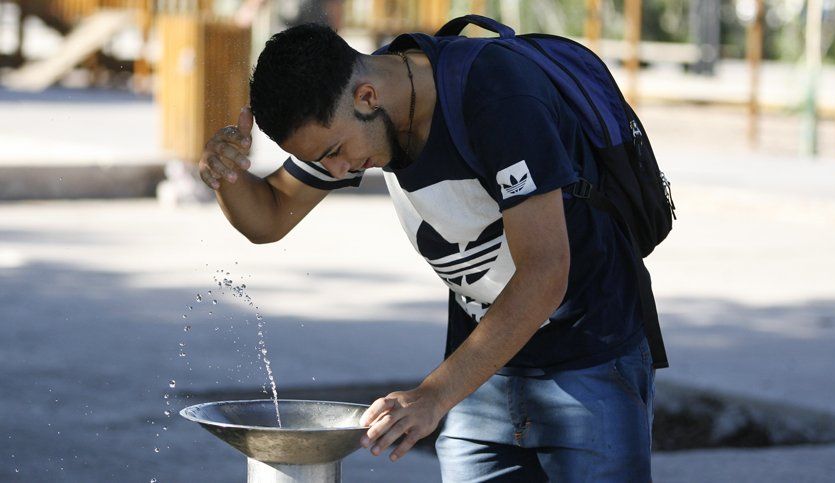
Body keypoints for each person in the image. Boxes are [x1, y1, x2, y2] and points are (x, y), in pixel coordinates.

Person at [199, 22, 655, 482]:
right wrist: (226, 174)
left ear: (367, 97)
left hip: (589, 363)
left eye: (336, 151)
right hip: (480, 374)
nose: (337, 170)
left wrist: (434, 395)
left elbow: (545, 273)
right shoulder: (355, 106)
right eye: (324, 161)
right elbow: (270, 217)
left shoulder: (497, 95)